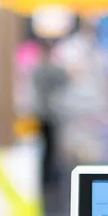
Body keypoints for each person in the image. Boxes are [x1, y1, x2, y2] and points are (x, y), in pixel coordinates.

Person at [32, 39, 68, 188]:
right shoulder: (46, 70)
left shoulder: (37, 69)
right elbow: (65, 77)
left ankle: (47, 179)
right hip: (48, 114)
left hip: (42, 113)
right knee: (49, 149)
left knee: (45, 149)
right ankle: (48, 180)